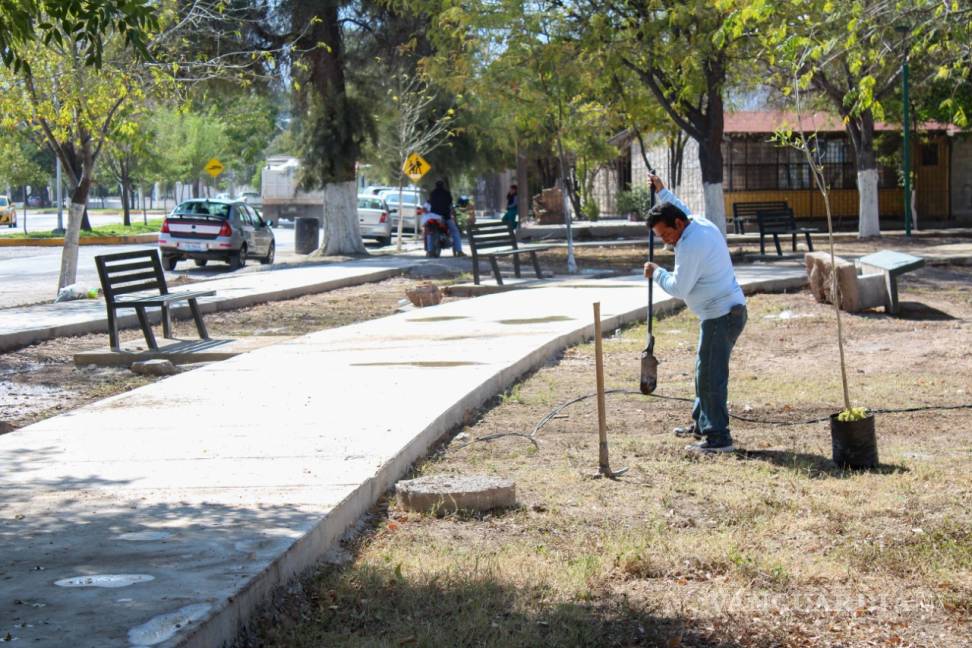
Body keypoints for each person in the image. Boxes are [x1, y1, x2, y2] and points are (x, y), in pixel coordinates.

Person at [643, 173, 747, 454]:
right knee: (704, 371)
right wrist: (662, 192)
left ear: (678, 225)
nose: (666, 242)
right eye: (660, 238)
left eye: (666, 234)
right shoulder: (694, 223)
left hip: (721, 316)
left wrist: (657, 272)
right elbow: (680, 207)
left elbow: (679, 287)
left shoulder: (690, 244)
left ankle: (718, 438)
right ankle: (703, 423)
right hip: (723, 313)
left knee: (711, 376)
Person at [428, 179, 464, 256]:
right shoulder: (447, 193)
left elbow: (430, 203)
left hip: (434, 217)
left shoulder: (432, 193)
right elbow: (450, 204)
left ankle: (430, 251)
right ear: (443, 186)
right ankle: (459, 251)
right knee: (455, 232)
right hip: (445, 216)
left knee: (430, 233)